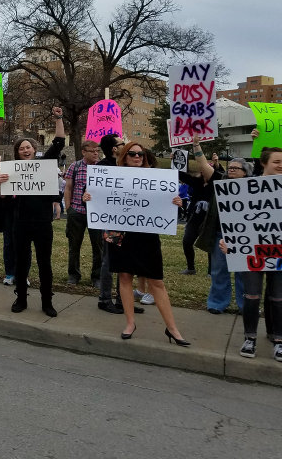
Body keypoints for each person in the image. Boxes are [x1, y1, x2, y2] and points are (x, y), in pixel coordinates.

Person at [93, 141, 189, 344]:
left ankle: (172, 328)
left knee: (156, 281)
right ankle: (130, 323)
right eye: (132, 154)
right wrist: (89, 197)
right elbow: (100, 199)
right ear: (124, 156)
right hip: (119, 233)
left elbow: (166, 204)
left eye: (140, 154)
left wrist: (177, 203)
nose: (137, 157)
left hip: (147, 235)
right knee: (125, 277)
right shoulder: (112, 176)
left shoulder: (157, 177)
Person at [219, 146, 282, 363]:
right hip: (250, 250)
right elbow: (234, 220)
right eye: (277, 162)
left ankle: (280, 343)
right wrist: (229, 242)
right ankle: (249, 339)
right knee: (251, 296)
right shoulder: (244, 188)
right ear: (264, 163)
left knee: (280, 297)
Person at [0, 106, 65, 317]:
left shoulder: (44, 164)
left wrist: (58, 119)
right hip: (20, 222)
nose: (25, 150)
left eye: (28, 147)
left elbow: (59, 142)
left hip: (43, 222)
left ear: (34, 149)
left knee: (45, 262)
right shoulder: (12, 170)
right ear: (17, 153)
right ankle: (21, 298)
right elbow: (3, 196)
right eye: (21, 149)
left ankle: (47, 301)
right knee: (22, 262)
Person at [194, 136, 250, 314]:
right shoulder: (220, 181)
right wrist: (196, 145)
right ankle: (217, 303)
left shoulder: (254, 186)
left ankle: (246, 305)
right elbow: (203, 166)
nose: (231, 169)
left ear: (246, 172)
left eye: (236, 168)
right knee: (219, 271)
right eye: (230, 167)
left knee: (244, 273)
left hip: (245, 236)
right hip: (220, 234)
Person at [63, 139, 103, 286]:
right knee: (74, 245)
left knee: (98, 246)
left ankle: (97, 277)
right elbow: (68, 188)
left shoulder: (102, 167)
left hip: (97, 214)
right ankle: (73, 275)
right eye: (93, 151)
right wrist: (69, 208)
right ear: (84, 152)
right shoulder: (75, 166)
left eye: (97, 151)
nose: (96, 153)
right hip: (77, 212)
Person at [96, 134, 126, 313]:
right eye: (122, 143)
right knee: (109, 260)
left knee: (126, 261)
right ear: (114, 149)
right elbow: (90, 191)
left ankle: (123, 300)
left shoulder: (128, 164)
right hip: (112, 221)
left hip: (130, 221)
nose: (125, 145)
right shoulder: (103, 167)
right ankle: (105, 299)